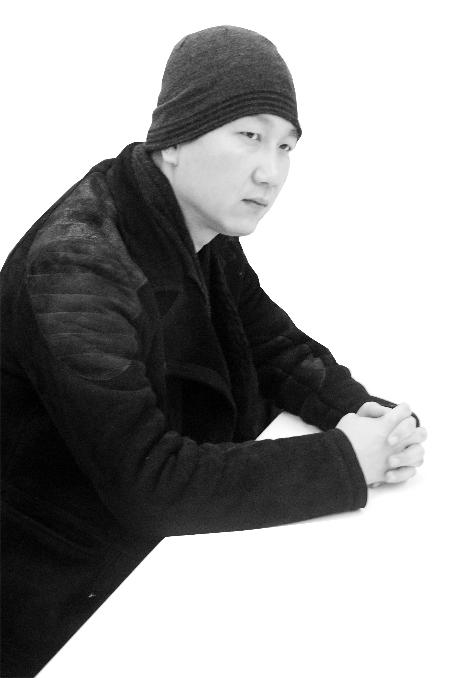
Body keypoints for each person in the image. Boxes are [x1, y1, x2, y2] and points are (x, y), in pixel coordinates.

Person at [0, 25, 426, 677]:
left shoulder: (193, 222)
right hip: (64, 601)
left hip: (155, 559)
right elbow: (149, 483)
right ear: (174, 138)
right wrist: (344, 462)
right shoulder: (76, 269)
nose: (271, 172)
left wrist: (362, 414)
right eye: (249, 135)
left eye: (286, 146)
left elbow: (270, 343)